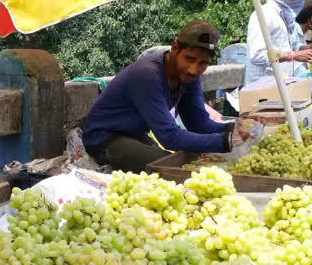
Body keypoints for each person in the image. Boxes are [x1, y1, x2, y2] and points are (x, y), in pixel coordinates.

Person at [81, 20, 248, 173]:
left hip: (134, 134)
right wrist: (225, 141)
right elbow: (170, 137)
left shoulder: (189, 77)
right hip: (103, 138)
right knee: (169, 167)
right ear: (175, 48)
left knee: (188, 161)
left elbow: (199, 124)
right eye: (189, 59)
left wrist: (233, 128)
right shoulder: (148, 75)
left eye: (203, 63)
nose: (193, 69)